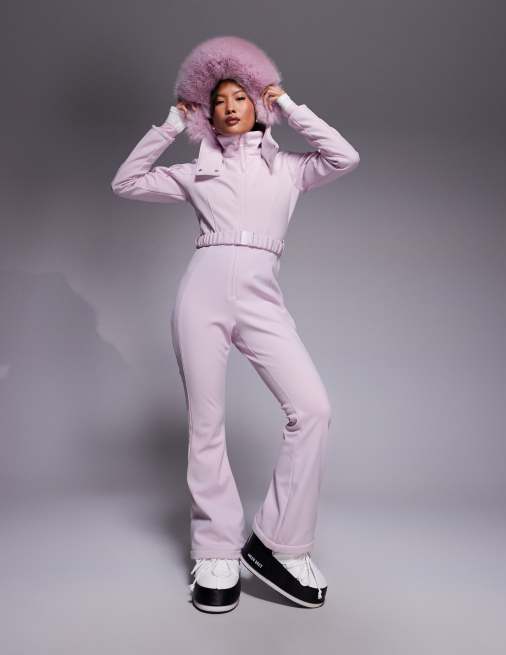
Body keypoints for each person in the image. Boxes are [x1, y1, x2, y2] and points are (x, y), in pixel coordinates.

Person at [110, 36, 360, 614]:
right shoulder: (196, 171)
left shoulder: (290, 168)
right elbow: (125, 182)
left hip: (262, 296)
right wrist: (170, 125)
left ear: (259, 103)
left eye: (241, 96)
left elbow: (344, 156)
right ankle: (216, 551)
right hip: (201, 294)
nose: (228, 107)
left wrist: (289, 104)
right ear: (206, 110)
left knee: (312, 409)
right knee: (206, 423)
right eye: (218, 99)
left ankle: (277, 543)